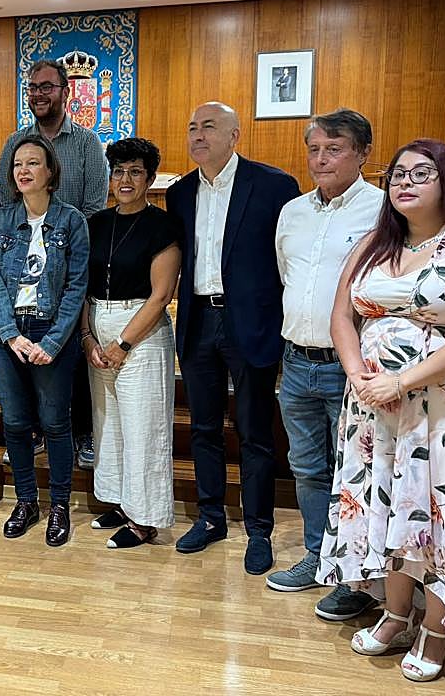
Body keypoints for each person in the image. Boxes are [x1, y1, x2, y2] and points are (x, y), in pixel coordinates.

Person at [322, 139, 445, 682]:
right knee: (389, 506)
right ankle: (394, 615)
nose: (404, 182)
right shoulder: (372, 244)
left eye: (421, 173)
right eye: (397, 175)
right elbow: (342, 317)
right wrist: (357, 373)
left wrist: (401, 380)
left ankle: (437, 629)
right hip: (375, 407)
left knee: (439, 510)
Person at [166, 101, 300, 575]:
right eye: (192, 127)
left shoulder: (274, 186)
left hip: (252, 322)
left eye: (209, 126)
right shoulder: (180, 192)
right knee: (203, 427)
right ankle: (210, 516)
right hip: (198, 318)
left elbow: (289, 259)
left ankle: (259, 528)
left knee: (254, 431)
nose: (198, 135)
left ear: (234, 135)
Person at [268, 109, 384, 621]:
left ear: (363, 153)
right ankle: (318, 556)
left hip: (352, 367)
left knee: (355, 472)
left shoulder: (384, 211)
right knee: (308, 468)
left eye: (333, 148)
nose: (320, 158)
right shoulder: (293, 211)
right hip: (296, 362)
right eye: (314, 148)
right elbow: (285, 280)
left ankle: (358, 577)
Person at [0, 58, 107, 469]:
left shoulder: (86, 144)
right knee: (22, 354)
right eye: (33, 88)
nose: (39, 95)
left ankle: (79, 433)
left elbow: (95, 206)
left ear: (66, 91)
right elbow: (6, 202)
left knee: (69, 353)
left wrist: (63, 240)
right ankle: (35, 432)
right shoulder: (15, 143)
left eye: (47, 87)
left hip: (73, 259)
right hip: (21, 267)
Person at [0, 134, 88, 547]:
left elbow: (77, 285)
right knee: (14, 422)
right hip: (8, 336)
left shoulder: (72, 221)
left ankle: (59, 503)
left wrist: (55, 341)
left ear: (50, 172)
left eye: (32, 164)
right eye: (17, 165)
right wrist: (11, 336)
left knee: (56, 422)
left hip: (51, 335)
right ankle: (26, 501)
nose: (23, 171)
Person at [82, 137, 181, 549]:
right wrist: (88, 337)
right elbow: (83, 288)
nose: (125, 179)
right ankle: (123, 503)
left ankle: (147, 520)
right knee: (110, 427)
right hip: (98, 325)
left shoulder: (163, 226)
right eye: (119, 171)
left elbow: (161, 295)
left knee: (144, 428)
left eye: (135, 172)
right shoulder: (97, 223)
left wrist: (122, 344)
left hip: (141, 332)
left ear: (150, 178)